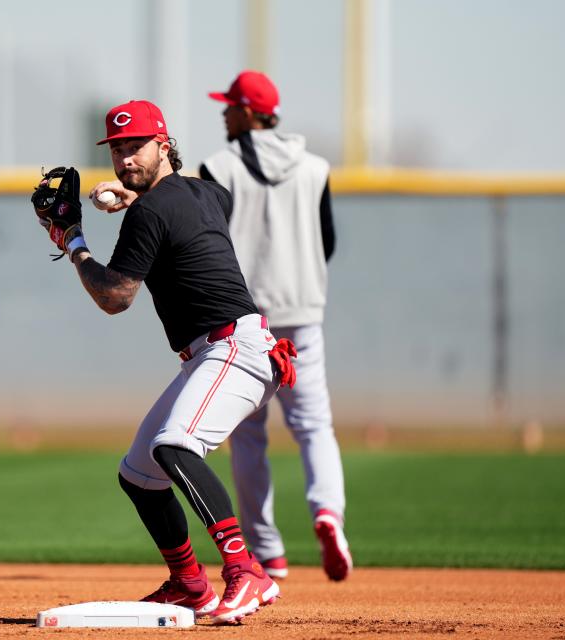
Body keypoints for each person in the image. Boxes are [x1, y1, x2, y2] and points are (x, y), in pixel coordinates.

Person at [40, 99, 299, 625]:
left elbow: (116, 297)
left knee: (174, 447)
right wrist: (134, 193)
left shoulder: (149, 211)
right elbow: (207, 201)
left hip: (234, 348)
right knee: (138, 474)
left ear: (164, 144)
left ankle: (246, 570)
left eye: (136, 145)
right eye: (117, 149)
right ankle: (188, 583)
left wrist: (76, 244)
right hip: (217, 351)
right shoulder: (203, 191)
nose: (125, 156)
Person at [200, 70, 352, 582]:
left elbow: (207, 241)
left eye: (229, 105)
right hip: (304, 315)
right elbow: (326, 241)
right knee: (313, 427)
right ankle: (327, 513)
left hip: (246, 322)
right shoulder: (316, 167)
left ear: (250, 112)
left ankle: (267, 549)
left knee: (248, 436)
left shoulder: (218, 166)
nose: (223, 113)